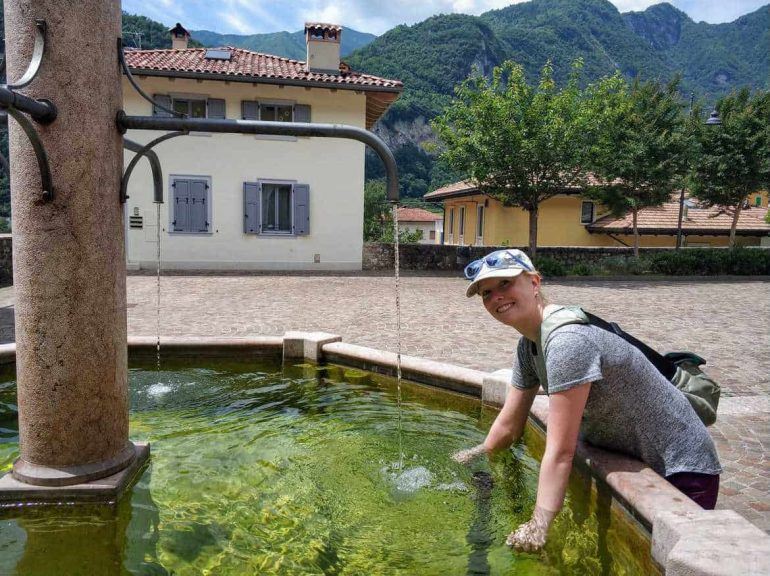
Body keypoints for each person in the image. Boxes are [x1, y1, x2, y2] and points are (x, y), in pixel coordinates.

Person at [453, 249, 721, 553]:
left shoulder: (568, 342)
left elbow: (560, 452)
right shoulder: (528, 345)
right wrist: (478, 453)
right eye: (487, 293)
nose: (496, 297)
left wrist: (539, 525)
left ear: (534, 282)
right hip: (639, 454)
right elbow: (510, 423)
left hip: (681, 467)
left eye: (505, 284)